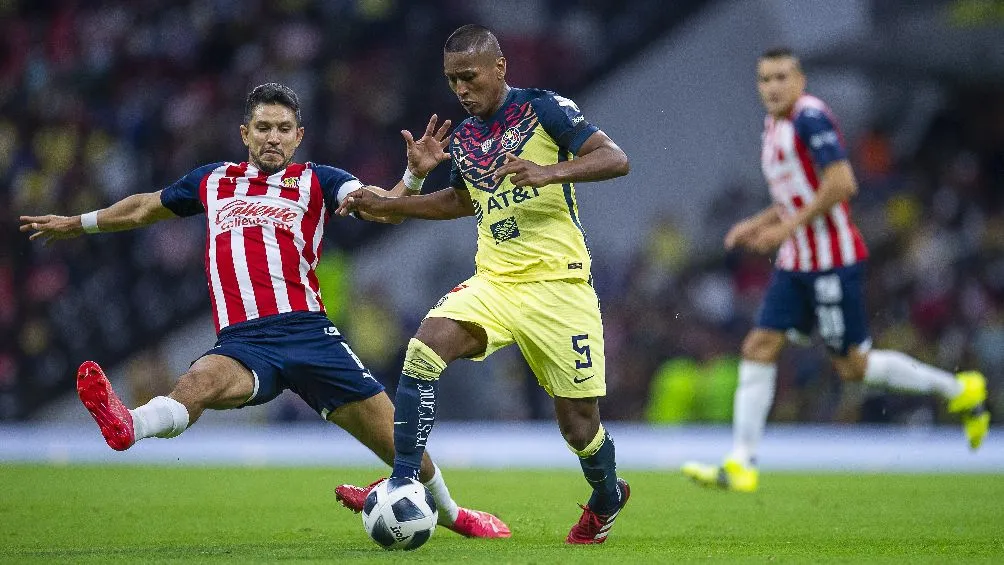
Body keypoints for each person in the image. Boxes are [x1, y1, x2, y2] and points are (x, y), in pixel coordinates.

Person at [19, 82, 510, 538]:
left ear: (299, 136)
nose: (272, 138)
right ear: (244, 133)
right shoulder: (212, 181)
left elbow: (378, 206)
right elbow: (145, 206)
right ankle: (129, 426)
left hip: (311, 336)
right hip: (244, 342)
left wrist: (413, 176)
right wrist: (76, 223)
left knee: (403, 446)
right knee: (198, 383)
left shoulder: (318, 180)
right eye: (262, 128)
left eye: (282, 129)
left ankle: (457, 516)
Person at [331, 25, 631, 545]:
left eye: (468, 77)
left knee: (579, 426)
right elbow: (460, 202)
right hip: (494, 281)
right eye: (452, 81)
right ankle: (404, 481)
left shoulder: (546, 109)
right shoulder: (465, 137)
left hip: (559, 286)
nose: (461, 90)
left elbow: (616, 159)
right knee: (424, 349)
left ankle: (606, 497)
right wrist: (392, 199)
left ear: (500, 68)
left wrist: (548, 173)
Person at [681, 48, 990, 493]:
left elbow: (843, 183)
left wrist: (784, 227)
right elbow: (796, 192)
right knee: (759, 346)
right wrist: (758, 222)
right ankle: (741, 463)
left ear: (800, 80)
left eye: (781, 77)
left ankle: (959, 389)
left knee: (853, 367)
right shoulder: (774, 126)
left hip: (830, 262)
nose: (772, 86)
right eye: (765, 79)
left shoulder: (811, 119)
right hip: (795, 264)